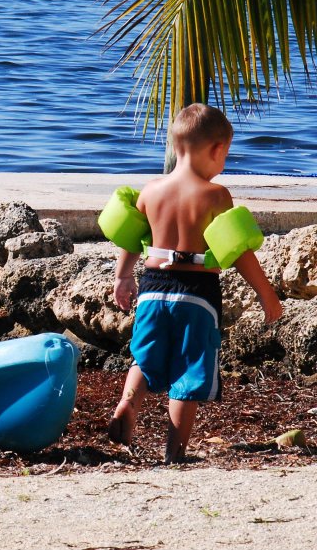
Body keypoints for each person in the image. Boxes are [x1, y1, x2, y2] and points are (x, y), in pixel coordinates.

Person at [106, 103, 282, 464]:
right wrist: (267, 296)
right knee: (189, 369)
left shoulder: (151, 190)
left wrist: (123, 278)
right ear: (218, 150)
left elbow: (130, 240)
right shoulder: (215, 195)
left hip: (153, 286)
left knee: (144, 356)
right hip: (197, 293)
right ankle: (175, 452)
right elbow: (238, 252)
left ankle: (128, 403)